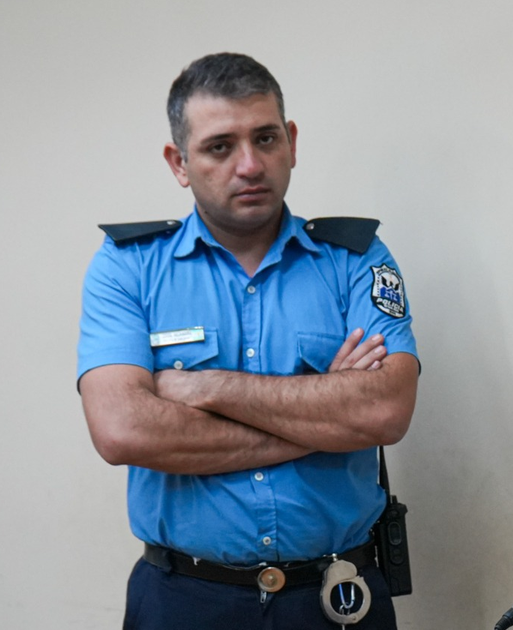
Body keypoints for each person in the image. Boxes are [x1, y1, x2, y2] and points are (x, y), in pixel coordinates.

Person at [76, 52, 419, 630]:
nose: (250, 165)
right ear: (179, 163)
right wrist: (323, 419)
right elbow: (122, 430)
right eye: (219, 147)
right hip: (184, 599)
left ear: (291, 142)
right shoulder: (127, 267)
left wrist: (204, 388)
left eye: (265, 138)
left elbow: (385, 411)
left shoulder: (355, 260)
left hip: (335, 599)